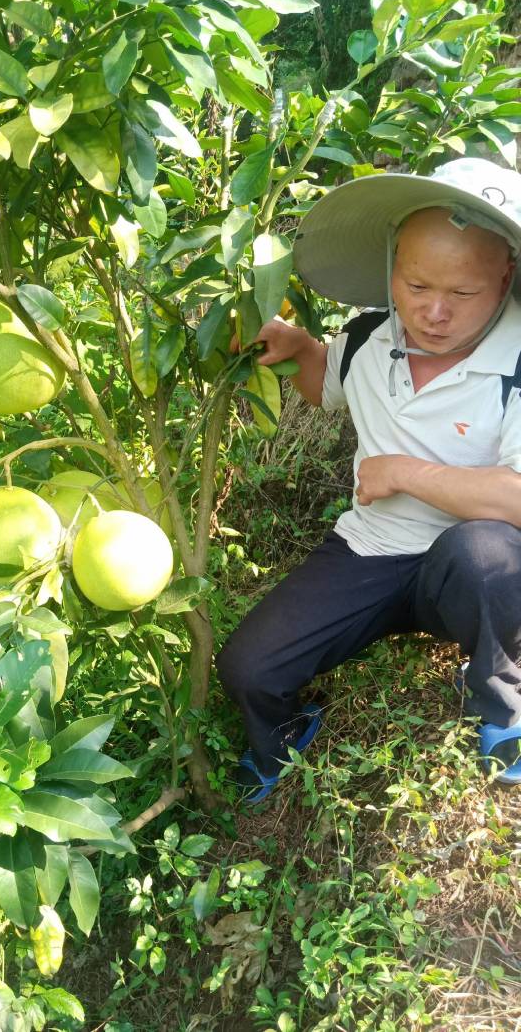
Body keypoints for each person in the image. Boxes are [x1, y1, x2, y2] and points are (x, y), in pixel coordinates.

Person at [215, 157, 521, 803]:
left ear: (506, 276)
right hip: (371, 551)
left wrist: (406, 472)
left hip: (473, 559)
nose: (434, 311)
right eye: (415, 285)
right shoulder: (367, 340)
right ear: (392, 268)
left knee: (485, 559)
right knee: (248, 666)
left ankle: (500, 706)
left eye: (462, 294)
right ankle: (286, 733)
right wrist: (299, 348)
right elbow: (326, 380)